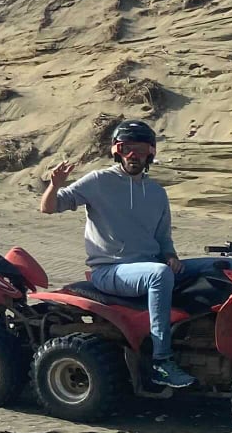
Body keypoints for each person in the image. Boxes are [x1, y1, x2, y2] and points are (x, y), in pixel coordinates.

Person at [40, 120, 203, 390]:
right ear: (117, 150)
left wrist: (171, 255)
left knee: (225, 267)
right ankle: (161, 361)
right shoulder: (98, 181)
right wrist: (55, 184)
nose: (133, 154)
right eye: (126, 148)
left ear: (150, 152)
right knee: (160, 275)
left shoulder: (156, 192)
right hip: (110, 271)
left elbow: (163, 238)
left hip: (149, 266)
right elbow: (49, 207)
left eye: (140, 148)